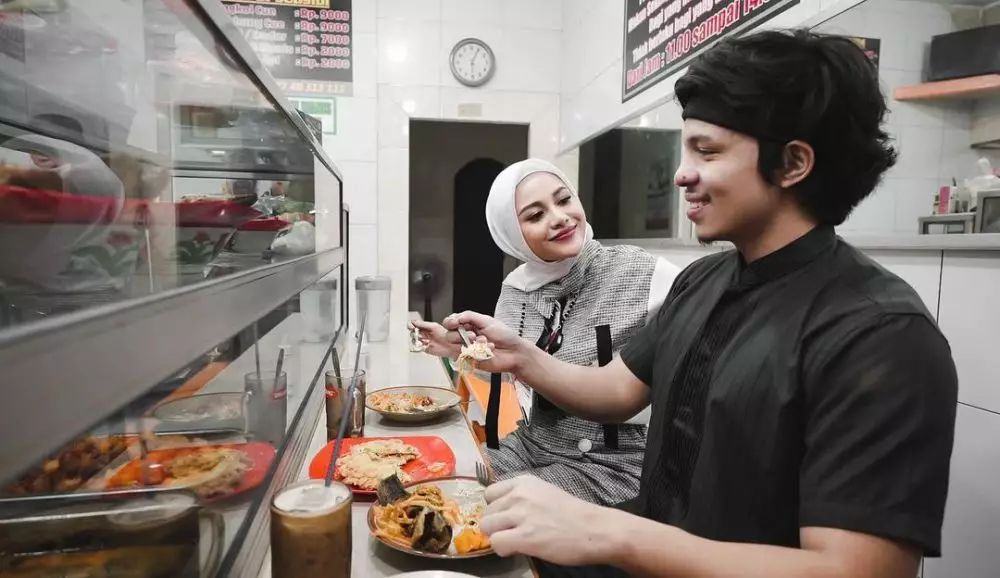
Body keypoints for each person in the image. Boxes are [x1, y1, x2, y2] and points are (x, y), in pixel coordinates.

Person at [442, 29, 959, 578]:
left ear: (792, 164)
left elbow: (858, 571)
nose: (682, 173)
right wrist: (521, 355)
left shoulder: (879, 335)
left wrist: (606, 530)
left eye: (706, 151)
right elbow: (617, 390)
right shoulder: (705, 281)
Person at [412, 158, 679, 506]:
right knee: (440, 486)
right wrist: (454, 347)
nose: (559, 217)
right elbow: (501, 362)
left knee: (482, 507)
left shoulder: (644, 274)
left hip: (613, 462)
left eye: (564, 199)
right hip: (533, 444)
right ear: (512, 235)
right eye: (535, 215)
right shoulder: (518, 289)